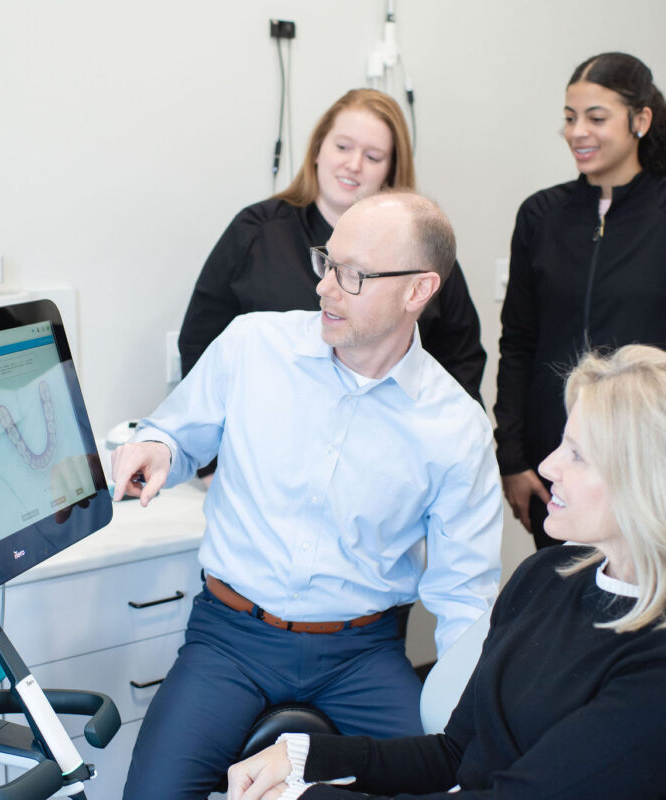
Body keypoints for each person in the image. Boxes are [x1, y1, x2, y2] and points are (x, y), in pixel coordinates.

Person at [112, 191, 502, 799]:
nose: (324, 287)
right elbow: (173, 433)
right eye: (328, 261)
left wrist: (469, 724)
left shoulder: (456, 429)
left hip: (361, 655)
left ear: (418, 292)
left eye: (353, 275)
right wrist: (157, 448)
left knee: (453, 788)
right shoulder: (252, 347)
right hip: (230, 640)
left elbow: (464, 599)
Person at [228, 343, 666, 800]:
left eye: (577, 455)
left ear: (641, 484)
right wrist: (307, 758)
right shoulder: (544, 577)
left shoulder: (654, 668)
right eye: (562, 443)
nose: (548, 466)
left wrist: (305, 798)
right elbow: (459, 754)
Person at [179, 88, 485, 409]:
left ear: (391, 171)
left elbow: (461, 359)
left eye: (372, 156)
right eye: (342, 147)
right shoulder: (255, 232)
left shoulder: (417, 251)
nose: (353, 165)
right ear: (316, 150)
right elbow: (201, 343)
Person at [495, 51, 666, 549]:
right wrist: (514, 457)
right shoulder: (540, 216)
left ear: (641, 119)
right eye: (570, 118)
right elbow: (519, 343)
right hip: (559, 470)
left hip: (647, 466)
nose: (577, 132)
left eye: (596, 118)